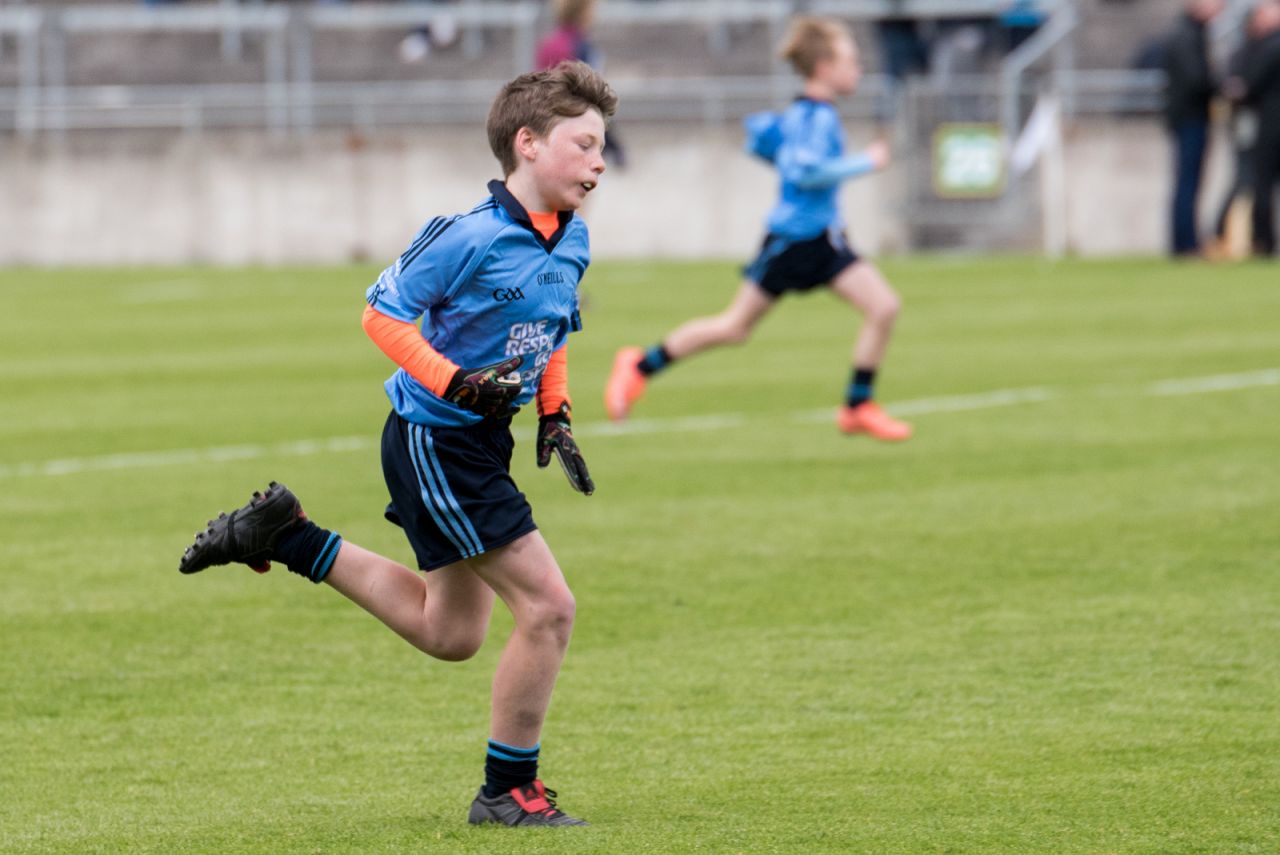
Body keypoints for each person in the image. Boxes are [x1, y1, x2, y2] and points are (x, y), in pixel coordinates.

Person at [178, 60, 616, 828]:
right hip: (434, 439)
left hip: (482, 441)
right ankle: (507, 791)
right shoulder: (466, 236)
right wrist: (453, 383)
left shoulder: (572, 240)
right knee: (549, 608)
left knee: (450, 633)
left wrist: (557, 411)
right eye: (583, 144)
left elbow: (553, 329)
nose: (599, 161)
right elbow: (382, 314)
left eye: (602, 146)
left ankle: (288, 535)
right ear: (529, 145)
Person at [604, 16, 912, 442]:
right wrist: (867, 162)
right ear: (823, 67)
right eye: (850, 60)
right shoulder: (814, 118)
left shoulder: (810, 114)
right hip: (793, 241)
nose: (858, 69)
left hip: (823, 239)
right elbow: (805, 174)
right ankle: (637, 366)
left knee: (883, 307)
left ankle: (857, 406)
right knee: (733, 327)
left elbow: (776, 153)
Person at [1161, 0, 1226, 257]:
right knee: (1187, 183)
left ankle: (1186, 242)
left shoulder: (1191, 33)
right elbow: (1196, 79)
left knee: (1188, 182)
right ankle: (1186, 244)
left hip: (1189, 117)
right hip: (1190, 118)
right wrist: (1222, 86)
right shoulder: (1187, 35)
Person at [536, 0, 626, 168]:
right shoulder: (581, 45)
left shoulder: (549, 42)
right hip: (576, 110)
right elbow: (593, 85)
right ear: (583, 14)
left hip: (550, 112)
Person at [1233, 0, 1280, 255]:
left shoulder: (1268, 47)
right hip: (1268, 123)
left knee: (1262, 183)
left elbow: (1250, 83)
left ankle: (1262, 241)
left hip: (1270, 125)